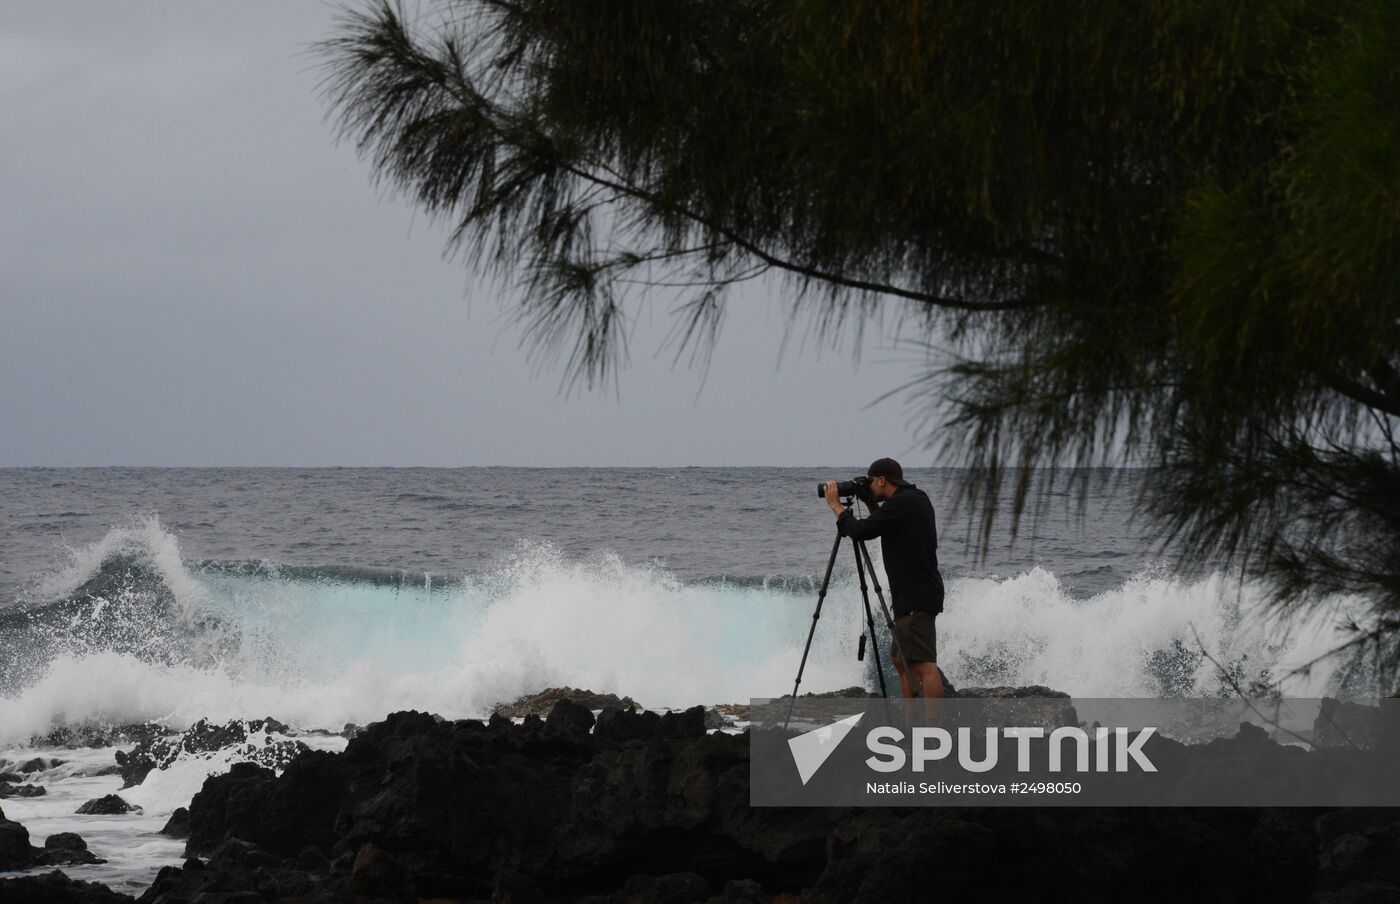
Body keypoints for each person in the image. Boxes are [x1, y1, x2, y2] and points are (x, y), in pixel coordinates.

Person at [823, 458, 945, 699]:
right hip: (915, 593)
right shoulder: (913, 499)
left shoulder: (903, 503)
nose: (868, 487)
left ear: (881, 480)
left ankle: (932, 731)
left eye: (870, 482)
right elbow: (883, 525)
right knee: (900, 660)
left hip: (916, 595)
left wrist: (836, 507)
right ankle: (912, 726)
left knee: (923, 665)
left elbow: (860, 531)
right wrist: (870, 503)